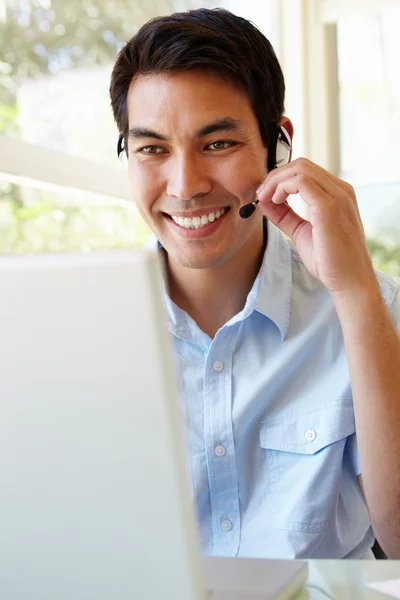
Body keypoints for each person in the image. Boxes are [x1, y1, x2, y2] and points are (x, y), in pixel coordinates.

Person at [109, 7, 400, 559]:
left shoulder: (373, 305)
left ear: (278, 145)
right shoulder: (81, 329)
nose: (186, 185)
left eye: (218, 144)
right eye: (152, 149)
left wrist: (355, 292)